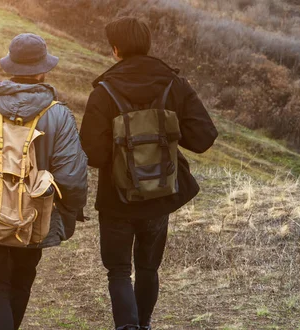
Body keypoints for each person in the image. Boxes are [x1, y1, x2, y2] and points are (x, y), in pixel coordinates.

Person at [80, 17, 218, 330]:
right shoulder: (175, 84)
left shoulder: (103, 91)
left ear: (115, 49)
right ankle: (143, 324)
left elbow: (94, 153)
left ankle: (127, 326)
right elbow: (203, 137)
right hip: (160, 194)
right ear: (148, 44)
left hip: (116, 198)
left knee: (118, 270)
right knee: (147, 268)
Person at [0, 33, 88, 330]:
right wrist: (72, 211)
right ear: (43, 69)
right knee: (21, 282)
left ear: (10, 66)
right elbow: (71, 175)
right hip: (35, 217)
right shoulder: (59, 114)